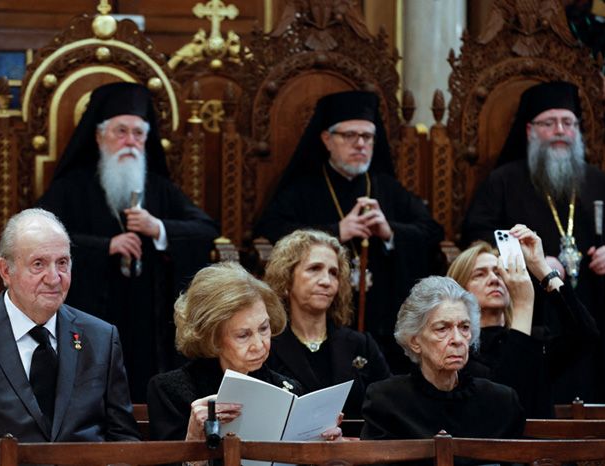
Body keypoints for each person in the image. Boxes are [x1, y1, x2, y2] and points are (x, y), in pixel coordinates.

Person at [38, 82, 219, 401]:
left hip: (149, 321)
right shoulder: (72, 187)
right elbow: (39, 237)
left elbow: (205, 229)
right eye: (121, 132)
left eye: (138, 134)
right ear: (99, 136)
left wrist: (158, 227)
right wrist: (105, 246)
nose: (130, 142)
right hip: (91, 312)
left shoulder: (157, 188)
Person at [0, 208, 139, 466]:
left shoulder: (102, 337)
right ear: (6, 271)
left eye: (62, 263)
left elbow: (124, 441)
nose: (54, 278)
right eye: (38, 264)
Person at [255, 90, 444, 373]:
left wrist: (389, 232)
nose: (360, 144)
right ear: (327, 139)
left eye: (367, 137)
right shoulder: (303, 189)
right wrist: (336, 231)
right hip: (320, 316)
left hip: (383, 314)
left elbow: (432, 231)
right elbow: (269, 227)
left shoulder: (386, 188)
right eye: (350, 136)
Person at [462, 80, 605, 402]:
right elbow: (476, 237)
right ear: (530, 131)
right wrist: (530, 262)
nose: (560, 130)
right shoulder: (504, 182)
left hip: (595, 316)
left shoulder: (601, 183)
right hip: (533, 320)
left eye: (568, 123)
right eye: (549, 123)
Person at [147, 262, 342, 445]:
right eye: (243, 335)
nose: (259, 345)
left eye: (264, 328)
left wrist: (322, 445)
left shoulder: (288, 390)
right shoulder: (170, 391)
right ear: (212, 338)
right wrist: (193, 439)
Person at [447, 225, 598, 418]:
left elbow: (586, 333)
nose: (494, 279)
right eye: (480, 274)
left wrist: (541, 268)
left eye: (499, 272)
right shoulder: (458, 348)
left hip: (543, 446)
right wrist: (523, 305)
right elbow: (506, 400)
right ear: (459, 290)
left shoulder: (536, 341)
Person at [360, 276, 525, 445]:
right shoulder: (387, 401)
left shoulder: (501, 402)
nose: (457, 339)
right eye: (442, 328)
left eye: (464, 327)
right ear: (415, 341)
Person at [264, 229, 390, 420]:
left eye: (334, 273)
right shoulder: (267, 346)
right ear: (287, 279)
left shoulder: (361, 344)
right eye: (314, 269)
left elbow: (388, 409)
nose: (326, 281)